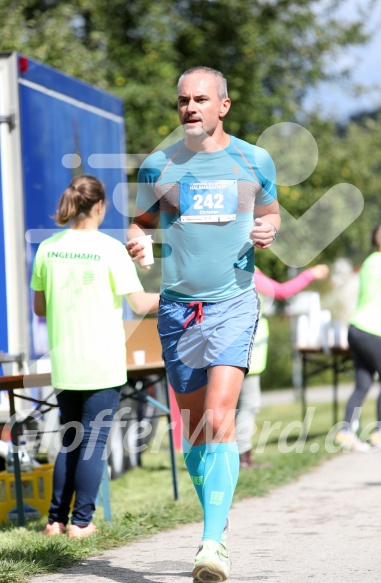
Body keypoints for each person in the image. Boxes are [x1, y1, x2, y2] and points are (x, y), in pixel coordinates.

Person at [126, 66, 280, 582]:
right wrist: (140, 241)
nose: (189, 108)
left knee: (218, 418)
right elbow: (140, 222)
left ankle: (211, 543)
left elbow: (272, 213)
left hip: (233, 303)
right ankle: (218, 515)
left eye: (200, 99)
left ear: (224, 106)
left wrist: (268, 228)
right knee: (194, 430)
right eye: (183, 101)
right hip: (176, 309)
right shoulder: (158, 166)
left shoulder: (253, 160)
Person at [30, 174, 159, 539]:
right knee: (93, 442)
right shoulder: (110, 249)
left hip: (65, 363)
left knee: (69, 441)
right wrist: (176, 295)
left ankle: (55, 521)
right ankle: (82, 523)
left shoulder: (47, 248)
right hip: (102, 363)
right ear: (100, 205)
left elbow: (40, 307)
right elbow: (139, 303)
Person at [237, 264, 330, 468]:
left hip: (237, 349)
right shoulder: (242, 267)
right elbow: (281, 291)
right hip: (245, 352)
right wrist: (310, 274)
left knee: (233, 405)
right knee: (248, 404)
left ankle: (230, 456)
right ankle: (243, 457)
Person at [335, 223, 381, 452]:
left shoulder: (369, 262)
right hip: (370, 329)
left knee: (364, 383)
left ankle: (346, 431)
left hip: (355, 327)